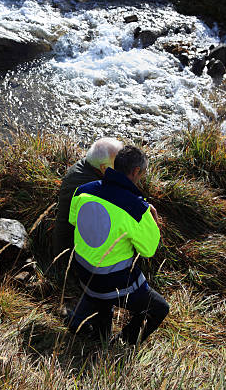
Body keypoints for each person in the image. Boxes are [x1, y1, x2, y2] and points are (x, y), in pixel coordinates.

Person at [67, 145, 169, 345]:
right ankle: (124, 341)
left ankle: (92, 323)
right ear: (136, 172)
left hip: (83, 274)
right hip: (110, 282)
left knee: (101, 329)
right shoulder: (138, 209)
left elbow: (73, 220)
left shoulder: (83, 191)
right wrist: (153, 221)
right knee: (159, 309)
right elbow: (148, 251)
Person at [52, 137, 123, 258]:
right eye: (119, 162)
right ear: (104, 168)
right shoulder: (91, 188)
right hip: (72, 253)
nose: (124, 164)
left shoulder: (89, 165)